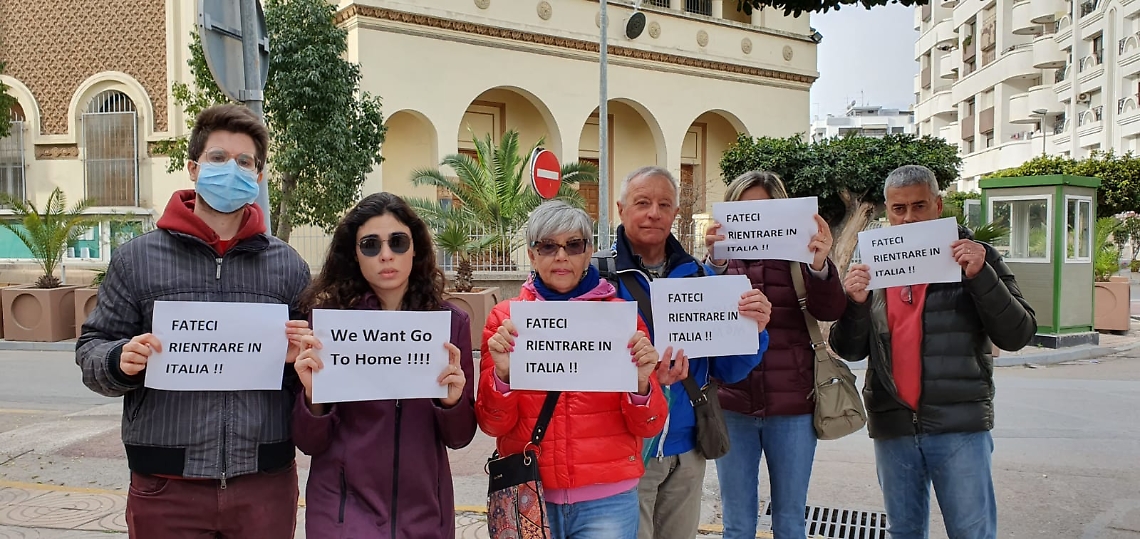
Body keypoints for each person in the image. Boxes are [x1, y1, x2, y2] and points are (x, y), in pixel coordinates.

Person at [75, 104, 311, 538]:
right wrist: (118, 360)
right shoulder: (137, 260)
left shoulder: (287, 266)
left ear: (258, 176)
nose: (232, 169)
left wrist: (301, 360)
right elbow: (92, 349)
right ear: (193, 167)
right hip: (165, 486)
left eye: (245, 162)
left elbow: (307, 378)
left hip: (264, 483)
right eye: (218, 158)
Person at [829, 165, 1037, 539]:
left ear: (938, 205)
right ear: (888, 211)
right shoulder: (875, 262)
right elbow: (850, 350)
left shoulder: (977, 257)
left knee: (971, 532)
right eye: (899, 208)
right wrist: (854, 305)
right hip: (893, 426)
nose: (909, 217)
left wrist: (981, 276)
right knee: (904, 532)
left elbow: (1018, 333)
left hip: (959, 426)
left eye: (919, 206)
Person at [592, 166, 772, 539]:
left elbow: (729, 369)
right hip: (624, 447)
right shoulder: (596, 277)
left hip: (687, 449)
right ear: (621, 209)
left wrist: (754, 331)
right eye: (642, 202)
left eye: (664, 205)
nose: (653, 213)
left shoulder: (701, 277)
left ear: (676, 213)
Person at [476, 201, 669, 539]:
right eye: (548, 246)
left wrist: (641, 386)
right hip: (529, 495)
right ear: (532, 255)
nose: (561, 256)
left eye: (574, 245)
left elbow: (649, 425)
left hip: (607, 501)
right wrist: (502, 378)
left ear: (588, 251)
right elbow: (493, 424)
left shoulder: (621, 320)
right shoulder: (505, 321)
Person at [290, 192, 477, 538]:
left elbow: (460, 437)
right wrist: (314, 398)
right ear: (354, 254)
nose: (386, 254)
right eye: (371, 245)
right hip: (342, 514)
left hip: (425, 515)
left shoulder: (451, 325)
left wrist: (451, 403)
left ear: (415, 248)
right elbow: (309, 443)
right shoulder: (328, 326)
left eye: (398, 242)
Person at [704, 171, 847, 539]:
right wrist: (714, 265)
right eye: (745, 211)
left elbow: (831, 310)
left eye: (765, 210)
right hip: (733, 405)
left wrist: (820, 265)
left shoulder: (801, 257)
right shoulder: (720, 259)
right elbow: (704, 323)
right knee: (737, 524)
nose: (756, 220)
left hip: (793, 407)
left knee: (790, 521)